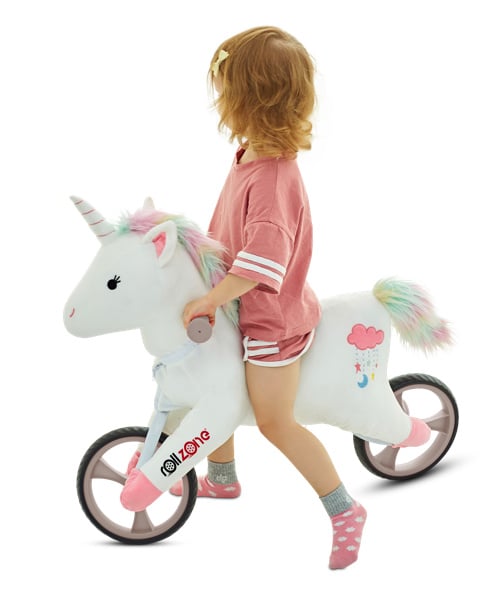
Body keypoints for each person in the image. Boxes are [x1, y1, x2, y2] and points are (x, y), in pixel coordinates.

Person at [179, 25, 367, 570]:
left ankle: (345, 509)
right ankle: (222, 477)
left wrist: (212, 299)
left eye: (224, 90)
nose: (218, 99)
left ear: (250, 100)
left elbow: (264, 260)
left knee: (274, 421)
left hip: (270, 321)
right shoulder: (250, 156)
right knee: (213, 383)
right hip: (239, 305)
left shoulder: (271, 178)